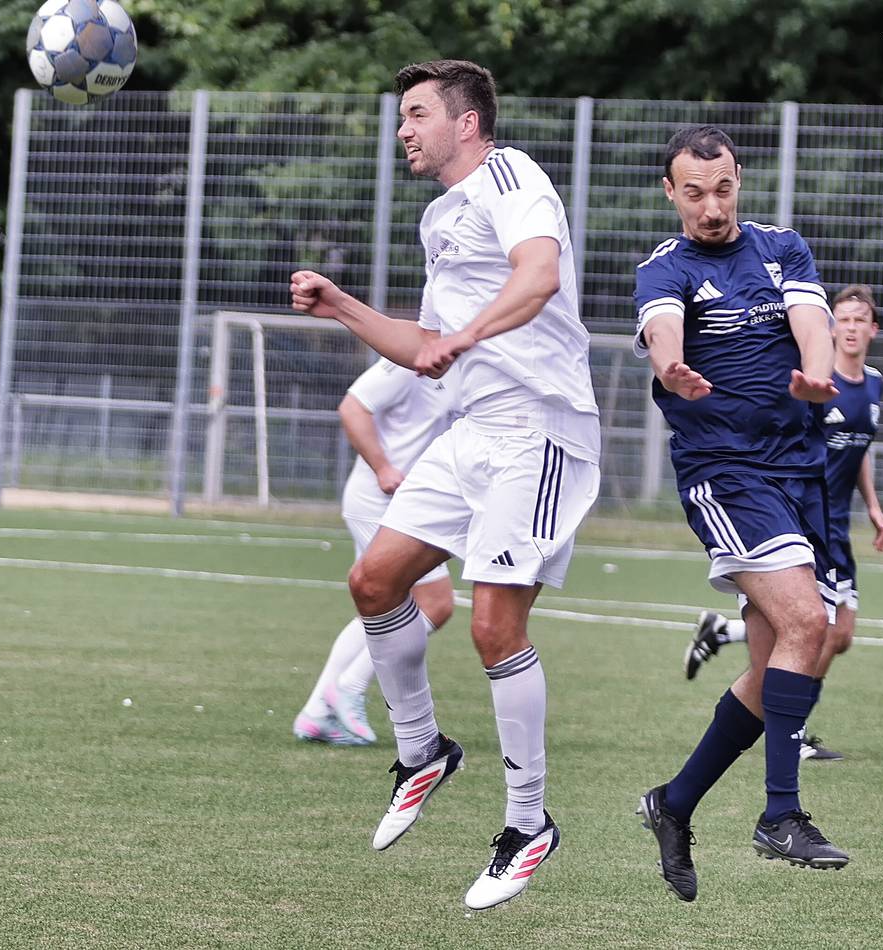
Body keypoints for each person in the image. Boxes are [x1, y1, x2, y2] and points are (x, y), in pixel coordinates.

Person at [291, 59, 601, 910]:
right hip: (469, 435)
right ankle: (424, 751)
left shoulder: (512, 176)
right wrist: (342, 305)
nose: (404, 129)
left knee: (495, 626)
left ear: (466, 122)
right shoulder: (439, 217)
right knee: (373, 581)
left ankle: (528, 825)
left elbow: (537, 277)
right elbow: (424, 344)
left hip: (539, 430)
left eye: (418, 113)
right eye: (403, 116)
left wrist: (466, 338)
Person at [632, 125, 849, 903]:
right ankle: (780, 815)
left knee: (774, 666)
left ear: (738, 182)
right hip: (726, 473)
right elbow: (663, 328)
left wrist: (817, 376)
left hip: (798, 470)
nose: (712, 206)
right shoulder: (667, 267)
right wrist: (671, 367)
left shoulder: (782, 248)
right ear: (671, 193)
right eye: (694, 192)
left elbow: (812, 326)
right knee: (808, 625)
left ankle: (674, 803)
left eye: (722, 189)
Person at [683, 284, 883, 761]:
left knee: (838, 634)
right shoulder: (814, 381)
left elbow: (859, 447)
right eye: (843, 319)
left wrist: (874, 506)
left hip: (839, 526)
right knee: (818, 629)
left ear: (873, 330)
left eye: (859, 319)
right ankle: (792, 735)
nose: (850, 327)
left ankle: (722, 634)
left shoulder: (873, 384)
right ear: (830, 327)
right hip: (807, 519)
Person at [293, 357, 460, 745]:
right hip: (379, 500)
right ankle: (348, 687)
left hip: (413, 502)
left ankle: (316, 713)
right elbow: (353, 407)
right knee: (435, 602)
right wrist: (383, 467)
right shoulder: (414, 355)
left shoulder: (472, 363)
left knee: (378, 610)